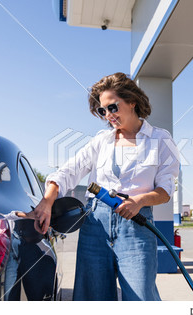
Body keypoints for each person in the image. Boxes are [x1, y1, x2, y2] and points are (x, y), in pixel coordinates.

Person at [32, 72, 180, 301]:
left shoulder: (160, 140)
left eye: (112, 107)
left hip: (136, 226)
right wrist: (48, 200)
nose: (108, 115)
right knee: (93, 297)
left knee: (141, 297)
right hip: (96, 225)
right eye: (102, 111)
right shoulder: (101, 140)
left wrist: (139, 201)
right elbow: (69, 171)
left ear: (132, 101)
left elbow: (165, 190)